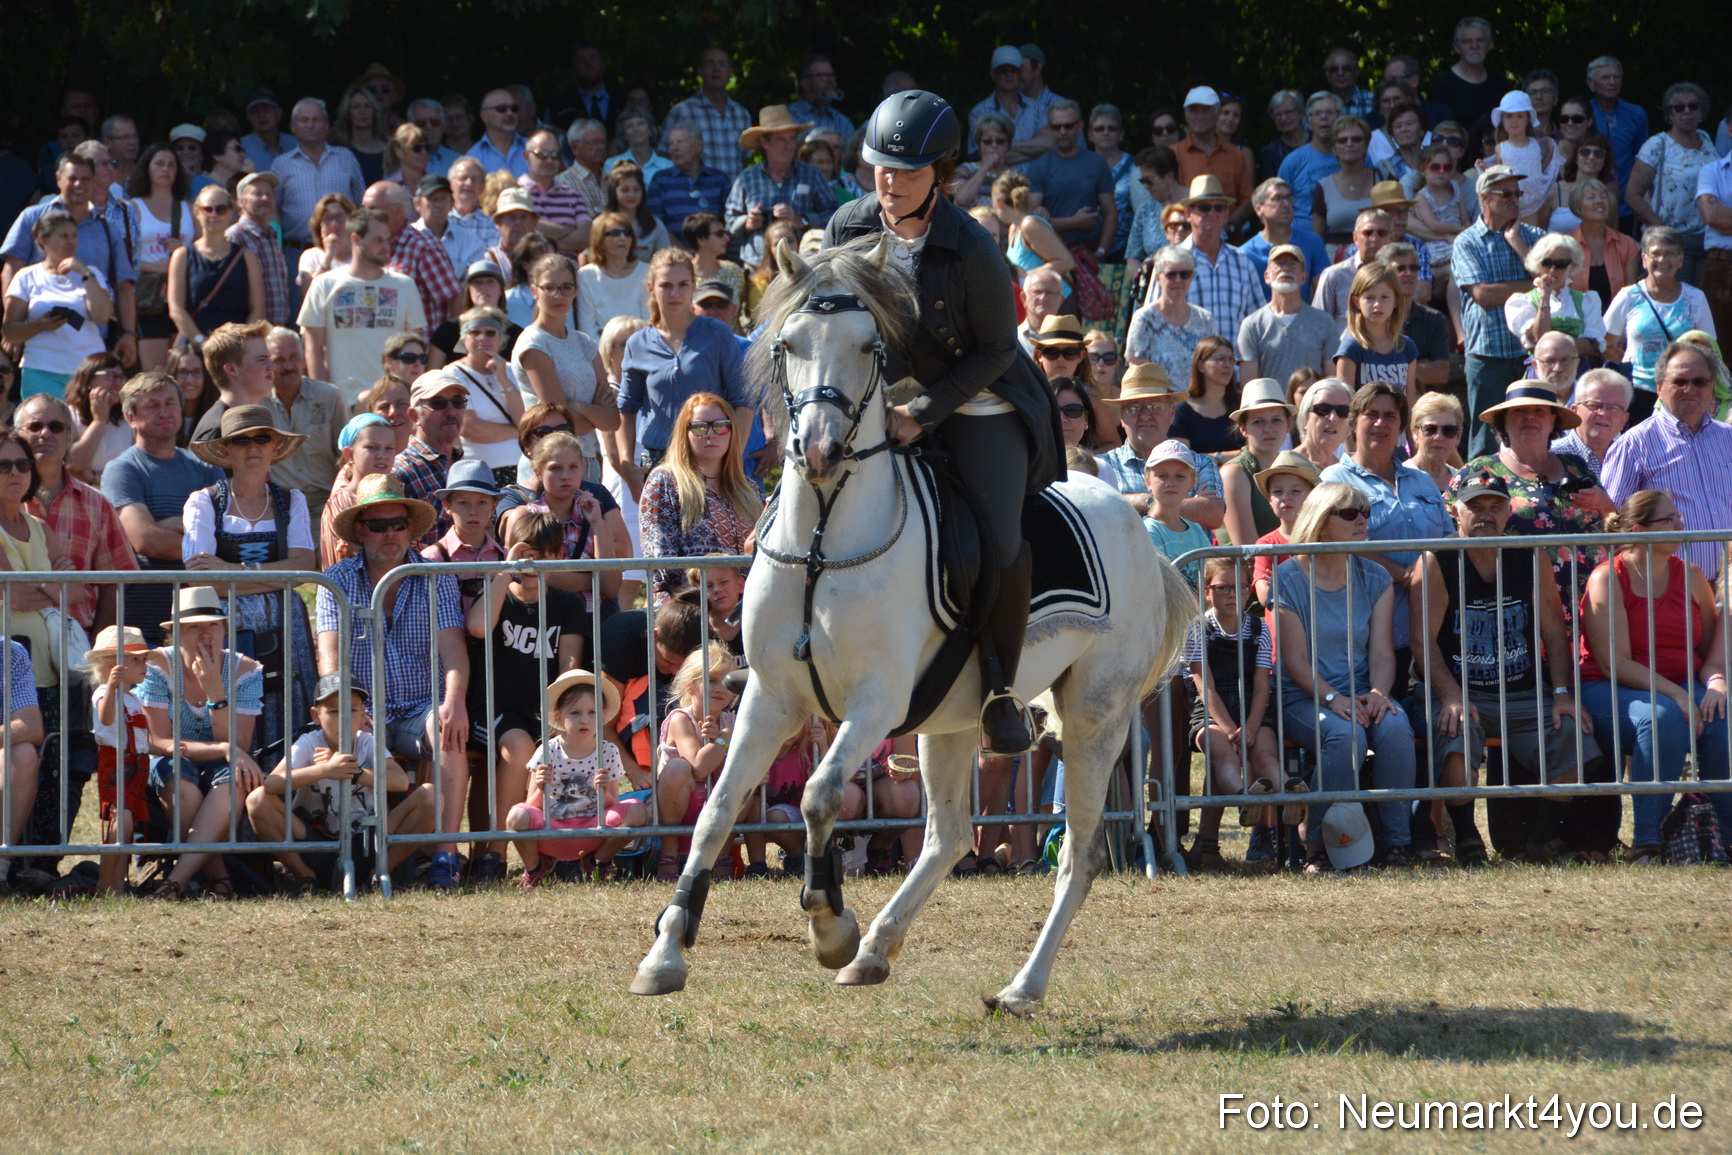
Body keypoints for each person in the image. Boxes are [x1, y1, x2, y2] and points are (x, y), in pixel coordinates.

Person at [821, 89, 1066, 753]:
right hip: (884, 396)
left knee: (999, 541)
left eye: (907, 172)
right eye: (880, 169)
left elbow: (993, 349)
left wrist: (924, 412)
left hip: (979, 394)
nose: (890, 183)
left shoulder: (973, 249)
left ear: (944, 175)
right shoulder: (846, 227)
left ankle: (999, 686)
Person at [1411, 471, 1597, 867]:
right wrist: (1450, 696)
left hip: (1524, 692)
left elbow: (1553, 630)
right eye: (1475, 507)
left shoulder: (1528, 554)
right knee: (1455, 736)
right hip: (1461, 692)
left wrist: (1562, 694)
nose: (1485, 515)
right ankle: (1466, 836)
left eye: (1494, 506)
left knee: (1573, 737)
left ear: (1508, 511)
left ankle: (1543, 839)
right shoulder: (1435, 559)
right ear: (1455, 512)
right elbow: (1421, 640)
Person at [317, 473, 469, 886]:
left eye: (398, 524)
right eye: (379, 525)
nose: (390, 534)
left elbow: (454, 651)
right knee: (344, 742)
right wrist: (349, 710)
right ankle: (349, 859)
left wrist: (455, 702)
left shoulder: (435, 575)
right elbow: (329, 663)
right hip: (362, 710)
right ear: (361, 530)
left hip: (419, 708)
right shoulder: (336, 580)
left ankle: (445, 855)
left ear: (410, 528)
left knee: (450, 729)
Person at [1580, 488, 1732, 866]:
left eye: (1678, 516)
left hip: (1679, 685)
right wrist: (1678, 697)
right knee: (1661, 718)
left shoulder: (1692, 576)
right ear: (1638, 529)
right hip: (1610, 686)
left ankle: (1725, 839)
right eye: (1670, 519)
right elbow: (1616, 662)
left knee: (1722, 719)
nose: (1682, 525)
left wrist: (1714, 685)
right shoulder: (1607, 578)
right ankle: (1648, 842)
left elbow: (1712, 652)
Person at [1271, 481, 1416, 871]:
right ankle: (1316, 845)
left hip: (1363, 692)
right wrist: (1335, 699)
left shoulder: (1374, 577)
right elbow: (1296, 661)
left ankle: (1397, 844)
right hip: (1303, 697)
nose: (1362, 521)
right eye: (1349, 513)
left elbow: (1383, 653)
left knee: (1396, 727)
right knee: (1344, 734)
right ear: (1320, 522)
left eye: (1365, 512)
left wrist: (1379, 694)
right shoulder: (1286, 577)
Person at [181, 403, 316, 752]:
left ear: (274, 447)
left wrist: (231, 573)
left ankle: (286, 795)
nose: (253, 447)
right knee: (233, 703)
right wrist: (277, 578)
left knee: (288, 703)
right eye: (242, 441)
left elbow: (303, 567)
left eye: (261, 438)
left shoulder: (292, 500)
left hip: (286, 627)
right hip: (227, 627)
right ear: (226, 450)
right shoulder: (204, 502)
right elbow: (201, 581)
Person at [248, 673, 432, 895]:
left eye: (352, 710)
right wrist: (323, 770)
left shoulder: (368, 742)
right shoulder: (309, 742)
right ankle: (305, 877)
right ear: (316, 716)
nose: (344, 718)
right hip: (314, 843)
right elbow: (272, 784)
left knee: (429, 795)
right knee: (257, 800)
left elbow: (400, 781)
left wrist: (353, 773)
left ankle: (378, 874)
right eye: (334, 711)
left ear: (363, 714)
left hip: (367, 842)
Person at [1321, 381, 1450, 692]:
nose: (1381, 423)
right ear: (1353, 423)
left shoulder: (1423, 480)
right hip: (1368, 635)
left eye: (1391, 416)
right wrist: (1403, 573)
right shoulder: (1333, 479)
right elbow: (1335, 542)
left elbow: (1450, 539)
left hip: (1429, 635)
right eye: (1372, 414)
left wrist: (1425, 571)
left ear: (1403, 426)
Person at [139, 585, 265, 902]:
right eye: (193, 627)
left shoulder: (246, 670)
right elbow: (159, 742)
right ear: (177, 633)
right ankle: (220, 878)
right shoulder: (156, 666)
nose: (205, 633)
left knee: (233, 781)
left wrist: (215, 693)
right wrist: (224, 750)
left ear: (224, 629)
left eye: (212, 624)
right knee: (183, 785)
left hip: (223, 764)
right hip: (173, 761)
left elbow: (239, 744)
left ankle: (174, 882)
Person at [102, 372, 224, 644]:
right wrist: (198, 534)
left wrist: (169, 524)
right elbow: (148, 541)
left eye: (170, 403)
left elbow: (226, 536)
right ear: (131, 418)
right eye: (152, 405)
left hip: (201, 618)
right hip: (145, 621)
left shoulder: (205, 467)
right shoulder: (123, 470)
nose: (164, 412)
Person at [1180, 555, 1280, 870]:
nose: (1231, 594)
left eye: (1239, 587)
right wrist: (1231, 729)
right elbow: (1203, 686)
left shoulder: (1259, 630)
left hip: (1252, 710)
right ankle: (1244, 797)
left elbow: (1262, 685)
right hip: (1211, 714)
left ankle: (1291, 792)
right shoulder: (1197, 629)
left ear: (1249, 591)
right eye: (1222, 587)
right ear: (1207, 591)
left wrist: (1249, 727)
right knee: (1226, 757)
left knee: (1266, 757)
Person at [1602, 342, 1732, 580]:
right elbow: (1613, 522)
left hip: (1729, 588)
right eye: (1680, 382)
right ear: (1659, 387)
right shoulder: (1633, 445)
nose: (1690, 389)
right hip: (1668, 591)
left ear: (1712, 387)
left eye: (1700, 382)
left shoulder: (1729, 439)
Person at [616, 247, 749, 478]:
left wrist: (731, 457)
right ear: (651, 289)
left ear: (694, 286)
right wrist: (627, 465)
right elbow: (626, 408)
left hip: (709, 457)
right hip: (656, 461)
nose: (675, 292)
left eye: (683, 284)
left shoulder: (717, 333)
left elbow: (744, 401)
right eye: (666, 285)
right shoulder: (637, 343)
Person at [509, 669, 646, 885]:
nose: (585, 720)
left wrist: (603, 791)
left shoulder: (609, 751)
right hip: (552, 828)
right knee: (516, 816)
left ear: (603, 715)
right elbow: (531, 806)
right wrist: (541, 785)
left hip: (594, 828)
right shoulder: (547, 750)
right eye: (575, 713)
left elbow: (612, 804)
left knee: (637, 810)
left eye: (592, 712)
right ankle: (536, 868)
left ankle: (597, 862)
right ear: (558, 717)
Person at [17, 392, 136, 632]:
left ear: (70, 436)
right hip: (14, 640)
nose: (45, 434)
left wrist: (96, 647)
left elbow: (116, 582)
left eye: (56, 427)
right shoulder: (4, 500)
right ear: (17, 435)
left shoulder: (98, 504)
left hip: (77, 642)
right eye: (35, 426)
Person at [1455, 164, 1546, 457]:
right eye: (1505, 193)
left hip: (1530, 355)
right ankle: (1477, 499)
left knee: (1535, 436)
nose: (1514, 199)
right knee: (1484, 440)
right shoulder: (1467, 241)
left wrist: (1517, 244)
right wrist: (1534, 284)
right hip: (1487, 355)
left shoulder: (1533, 236)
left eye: (1517, 193)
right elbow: (1482, 294)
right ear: (1484, 197)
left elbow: (1554, 283)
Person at [298, 206, 427, 404]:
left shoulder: (405, 285)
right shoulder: (324, 284)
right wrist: (323, 399)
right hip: (342, 401)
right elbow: (313, 348)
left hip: (394, 402)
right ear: (356, 240)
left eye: (387, 239)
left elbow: (415, 348)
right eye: (378, 240)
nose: (386, 246)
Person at [638, 392, 759, 602]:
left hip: (746, 608)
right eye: (699, 427)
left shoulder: (750, 489)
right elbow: (662, 565)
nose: (711, 434)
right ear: (685, 433)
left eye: (720, 426)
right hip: (685, 608)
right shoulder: (664, 482)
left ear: (731, 431)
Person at [509, 252, 617, 483]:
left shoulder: (585, 342)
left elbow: (612, 420)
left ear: (575, 291)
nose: (558, 295)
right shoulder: (533, 343)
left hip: (587, 461)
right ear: (534, 291)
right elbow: (561, 422)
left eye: (566, 287)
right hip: (548, 465)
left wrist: (578, 407)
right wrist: (591, 414)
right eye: (549, 288)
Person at [1096, 364, 1224, 526]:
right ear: (1121, 416)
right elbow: (1099, 513)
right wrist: (1187, 505)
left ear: (1172, 413)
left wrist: (1145, 502)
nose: (1144, 416)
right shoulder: (1102, 466)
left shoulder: (1201, 463)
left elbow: (1212, 513)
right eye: (1134, 408)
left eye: (1154, 406)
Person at [82, 625, 159, 894]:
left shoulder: (135, 698)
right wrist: (113, 686)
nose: (143, 664)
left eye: (143, 659)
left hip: (137, 767)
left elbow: (141, 738)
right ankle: (106, 882)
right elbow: (106, 718)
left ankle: (118, 883)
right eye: (135, 659)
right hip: (115, 765)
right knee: (120, 821)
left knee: (128, 825)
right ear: (111, 665)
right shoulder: (104, 694)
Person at [2, 210, 111, 399]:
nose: (71, 241)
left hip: (86, 371)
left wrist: (85, 273)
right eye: (63, 236)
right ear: (43, 239)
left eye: (74, 236)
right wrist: (39, 325)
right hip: (41, 369)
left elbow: (103, 316)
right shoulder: (27, 276)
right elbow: (10, 332)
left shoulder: (91, 273)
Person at [1603, 227, 1716, 407]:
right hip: (1635, 393)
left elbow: (1710, 349)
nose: (1662, 260)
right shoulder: (1629, 295)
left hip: (1681, 394)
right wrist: (1626, 370)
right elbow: (1604, 342)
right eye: (1656, 253)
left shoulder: (1696, 298)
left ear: (1681, 260)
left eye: (1670, 254)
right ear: (1644, 259)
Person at [725, 105, 836, 266]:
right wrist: (747, 223)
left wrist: (802, 220)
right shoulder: (747, 178)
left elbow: (834, 213)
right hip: (756, 268)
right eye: (781, 140)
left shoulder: (811, 174)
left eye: (792, 139)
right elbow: (728, 222)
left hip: (803, 265)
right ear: (765, 142)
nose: (789, 145)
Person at [123, 141, 194, 370]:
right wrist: (158, 267)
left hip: (186, 297)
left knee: (185, 369)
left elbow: (203, 252)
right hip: (148, 299)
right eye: (159, 164)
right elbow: (121, 258)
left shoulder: (190, 208)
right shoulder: (132, 208)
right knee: (155, 372)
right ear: (147, 169)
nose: (166, 169)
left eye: (171, 165)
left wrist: (183, 255)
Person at [167, 185, 263, 344]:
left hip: (236, 348)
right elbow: (176, 310)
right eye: (207, 209)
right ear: (197, 213)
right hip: (195, 347)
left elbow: (257, 308)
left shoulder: (247, 256)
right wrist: (201, 343)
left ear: (231, 213)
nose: (214, 214)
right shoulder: (182, 256)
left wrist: (240, 345)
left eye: (221, 209)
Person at [1021, 100, 1116, 260]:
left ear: (1080, 126)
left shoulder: (1097, 163)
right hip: (1050, 252)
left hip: (1089, 251)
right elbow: (1032, 221)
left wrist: (1101, 252)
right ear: (1048, 129)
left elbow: (1111, 213)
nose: (1063, 131)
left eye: (1068, 126)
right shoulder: (1039, 165)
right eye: (1056, 127)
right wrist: (1074, 222)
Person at [270, 98, 366, 253]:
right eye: (304, 120)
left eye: (316, 120)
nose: (310, 125)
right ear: (293, 127)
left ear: (327, 126)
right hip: (296, 250)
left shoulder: (345, 157)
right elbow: (273, 211)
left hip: (343, 249)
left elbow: (362, 203)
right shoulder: (281, 165)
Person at [1234, 245, 1334, 389]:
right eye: (1279, 263)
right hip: (1269, 410)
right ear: (1267, 277)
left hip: (1311, 409)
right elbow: (1249, 387)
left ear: (1303, 277)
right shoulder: (1252, 325)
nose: (1286, 269)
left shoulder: (1324, 322)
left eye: (1292, 264)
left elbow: (1331, 381)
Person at [1176, 175, 1263, 340]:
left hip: (1234, 363)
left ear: (1226, 215)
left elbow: (1257, 320)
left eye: (1219, 208)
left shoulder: (1242, 261)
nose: (1212, 213)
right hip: (1188, 364)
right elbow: (1156, 319)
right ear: (1188, 214)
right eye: (1204, 207)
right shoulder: (1171, 262)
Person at [1219, 378, 1294, 546]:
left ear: (1288, 424)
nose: (1268, 429)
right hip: (1248, 570)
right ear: (1243, 428)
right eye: (1258, 421)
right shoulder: (1234, 473)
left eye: (1276, 420)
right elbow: (1248, 551)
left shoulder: (1294, 467)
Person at [1126, 245, 1214, 384]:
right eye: (1171, 274)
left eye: (1185, 274)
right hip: (1158, 401)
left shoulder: (1205, 319)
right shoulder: (1144, 319)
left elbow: (1212, 368)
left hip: (1198, 401)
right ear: (1158, 278)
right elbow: (1138, 372)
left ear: (1192, 277)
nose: (1178, 280)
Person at [320, 413, 397, 565]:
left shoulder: (394, 495)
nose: (382, 455)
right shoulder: (343, 500)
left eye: (389, 448)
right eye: (372, 447)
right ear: (349, 454)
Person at [1237, 178, 1329, 302]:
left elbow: (1324, 294)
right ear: (1259, 209)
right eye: (1277, 199)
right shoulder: (1245, 254)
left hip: (1305, 318)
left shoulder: (1312, 242)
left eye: (1288, 198)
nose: (1286, 204)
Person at [1249, 450, 1320, 608]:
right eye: (1277, 492)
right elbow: (1265, 595)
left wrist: (1281, 584)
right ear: (1269, 500)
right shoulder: (1265, 544)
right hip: (1280, 631)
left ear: (1312, 496)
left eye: (1295, 491)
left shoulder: (1323, 539)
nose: (1285, 497)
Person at [1334, 261, 1415, 396]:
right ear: (1356, 301)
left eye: (1385, 297)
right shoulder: (1350, 348)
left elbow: (1410, 402)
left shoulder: (1407, 347)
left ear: (1395, 300)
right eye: (1370, 298)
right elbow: (1345, 404)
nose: (1377, 304)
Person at [1585, 57, 1648, 223]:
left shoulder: (1636, 114)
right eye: (1605, 77)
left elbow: (1641, 158)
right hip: (1587, 202)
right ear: (1591, 84)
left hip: (1627, 205)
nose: (1612, 82)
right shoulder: (1582, 114)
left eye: (1616, 77)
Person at [226, 172, 292, 329]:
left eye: (269, 194)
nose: (265, 198)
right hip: (250, 330)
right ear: (240, 202)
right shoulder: (235, 236)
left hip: (277, 329)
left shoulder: (272, 235)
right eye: (257, 194)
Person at [646, 123, 731, 241]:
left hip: (714, 254)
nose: (674, 148)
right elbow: (655, 224)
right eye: (671, 144)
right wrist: (682, 252)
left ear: (698, 145)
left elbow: (729, 221)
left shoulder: (719, 180)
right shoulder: (660, 180)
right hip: (674, 256)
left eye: (680, 143)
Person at [1489, 91, 1562, 227]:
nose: (1514, 120)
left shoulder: (1535, 144)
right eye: (1509, 116)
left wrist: (1550, 153)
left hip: (1533, 202)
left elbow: (1538, 168)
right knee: (1509, 236)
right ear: (1502, 120)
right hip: (1510, 202)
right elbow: (1499, 174)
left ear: (1528, 119)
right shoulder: (1501, 148)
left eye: (1519, 116)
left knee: (1532, 237)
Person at [1550, 366, 1631, 480]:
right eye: (1594, 405)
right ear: (1575, 411)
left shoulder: (1632, 460)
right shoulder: (1552, 456)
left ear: (1624, 420)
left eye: (1613, 408)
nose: (1603, 413)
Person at [576, 213, 648, 337]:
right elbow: (587, 329)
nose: (623, 238)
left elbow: (649, 322)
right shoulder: (586, 276)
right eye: (615, 233)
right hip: (600, 350)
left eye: (627, 233)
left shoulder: (646, 272)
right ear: (600, 240)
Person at [63, 352, 131, 483]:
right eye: (111, 376)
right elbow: (73, 464)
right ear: (89, 379)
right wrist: (99, 421)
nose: (118, 384)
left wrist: (95, 478)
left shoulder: (127, 420)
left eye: (121, 377)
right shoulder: (68, 415)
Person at [1313, 116, 1376, 248]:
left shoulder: (1384, 178)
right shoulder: (1323, 187)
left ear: (1366, 145)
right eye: (1342, 140)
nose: (1349, 144)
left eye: (1356, 139)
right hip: (1335, 260)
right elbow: (1317, 239)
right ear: (1334, 148)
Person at [1172, 336, 1240, 453]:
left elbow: (1255, 452)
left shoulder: (1242, 405)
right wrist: (1221, 458)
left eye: (1231, 359)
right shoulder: (1181, 411)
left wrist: (1215, 457)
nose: (1227, 365)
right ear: (1201, 366)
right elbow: (1181, 458)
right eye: (1220, 359)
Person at [1428, 17, 1499, 129]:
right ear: (1456, 47)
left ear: (1490, 44)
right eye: (1467, 41)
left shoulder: (1499, 84)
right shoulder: (1441, 87)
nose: (1474, 46)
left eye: (1480, 40)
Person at [1699, 110, 1732, 338]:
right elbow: (1711, 217)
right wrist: (1718, 213)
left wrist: (1725, 212)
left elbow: (1721, 217)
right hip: (1721, 267)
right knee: (1719, 346)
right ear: (1730, 130)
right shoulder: (1711, 171)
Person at [605, 161, 672, 262]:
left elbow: (666, 261)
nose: (631, 195)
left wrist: (641, 265)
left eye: (636, 189)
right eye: (625, 190)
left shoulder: (654, 224)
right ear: (614, 192)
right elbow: (587, 256)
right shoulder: (602, 224)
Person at [294, 191, 356, 291]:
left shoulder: (362, 254)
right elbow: (308, 294)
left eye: (340, 217)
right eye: (327, 219)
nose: (334, 224)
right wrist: (329, 256)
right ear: (319, 226)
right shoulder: (312, 256)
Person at [1404, 390, 1465, 490]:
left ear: (1458, 436)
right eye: (1430, 429)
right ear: (1415, 433)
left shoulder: (1461, 482)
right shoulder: (1400, 478)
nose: (1439, 437)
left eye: (1449, 430)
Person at [1292, 376, 1352, 471]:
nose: (1333, 418)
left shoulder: (1345, 472)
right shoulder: (1288, 465)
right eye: (1323, 410)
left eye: (1342, 412)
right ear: (1306, 417)